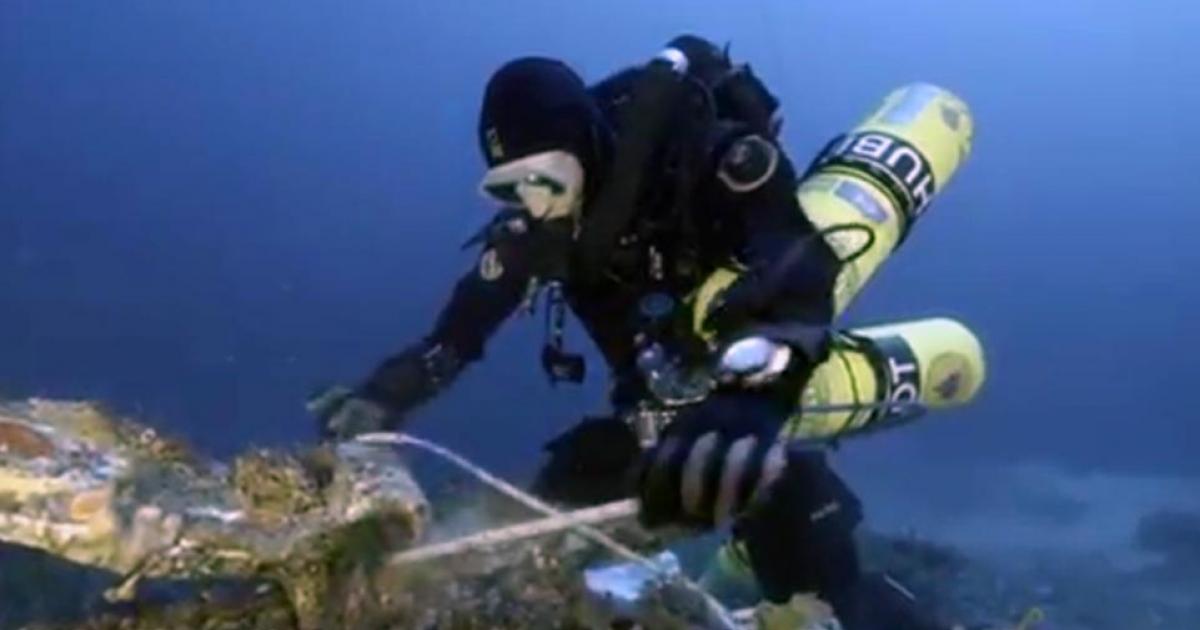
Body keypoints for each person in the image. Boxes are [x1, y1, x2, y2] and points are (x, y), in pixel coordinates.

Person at [311, 35, 951, 629]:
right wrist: (382, 397)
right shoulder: (538, 234)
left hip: (755, 378)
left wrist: (752, 399)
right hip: (654, 410)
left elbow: (801, 263)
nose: (532, 204)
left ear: (584, 145)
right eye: (508, 189)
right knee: (561, 497)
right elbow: (455, 337)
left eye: (543, 179)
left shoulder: (705, 159)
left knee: (813, 568)